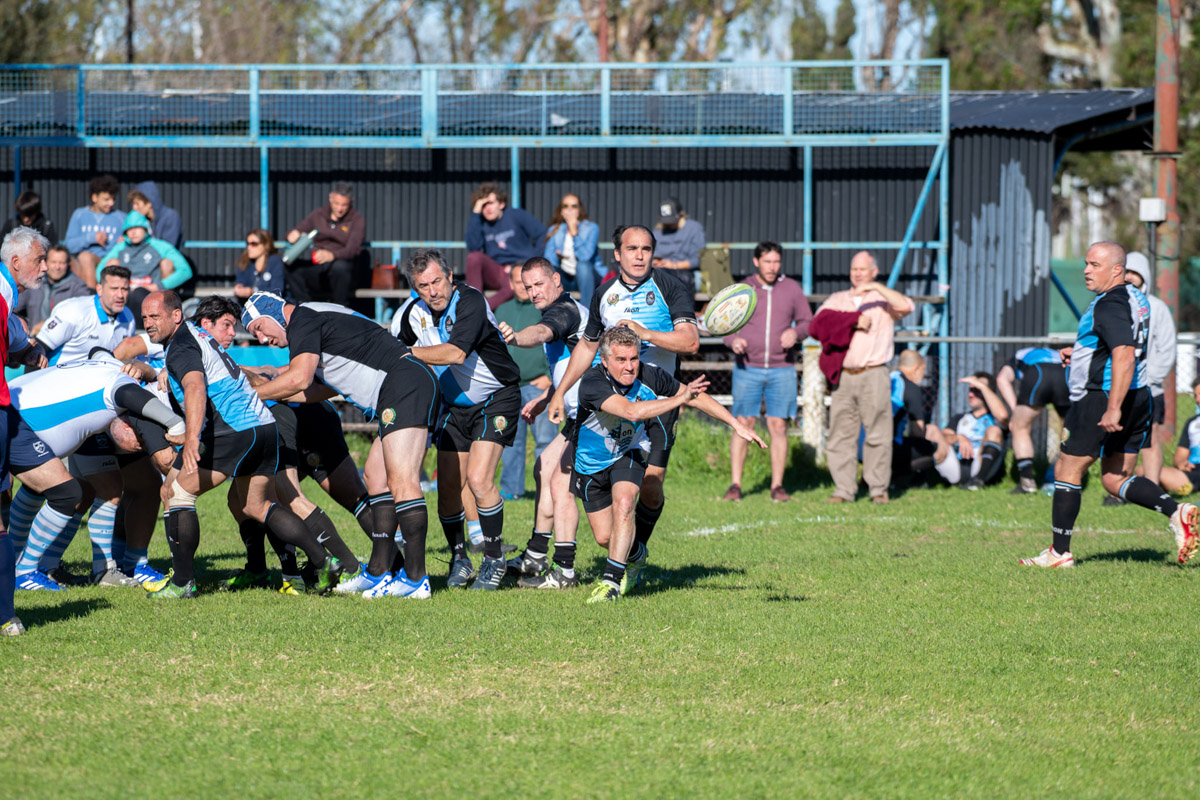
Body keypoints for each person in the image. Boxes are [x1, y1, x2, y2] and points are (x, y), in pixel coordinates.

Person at [141, 290, 339, 599]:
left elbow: (195, 386)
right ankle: (322, 560)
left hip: (235, 431)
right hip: (263, 427)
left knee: (180, 493)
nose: (149, 324)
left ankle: (182, 583)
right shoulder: (195, 334)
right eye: (145, 318)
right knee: (253, 505)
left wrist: (192, 437)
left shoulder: (181, 345)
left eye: (155, 317)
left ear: (176, 316)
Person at [243, 290, 441, 599]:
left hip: (405, 382)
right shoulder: (307, 330)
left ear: (272, 313)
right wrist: (266, 384)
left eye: (257, 328)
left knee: (402, 480)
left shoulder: (302, 318)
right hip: (396, 388)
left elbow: (299, 379)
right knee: (376, 478)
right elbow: (317, 390)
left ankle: (416, 578)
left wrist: (253, 396)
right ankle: (378, 572)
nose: (261, 339)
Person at [1020, 241, 1199, 569]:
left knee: (1067, 468)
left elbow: (1124, 352)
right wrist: (1084, 354)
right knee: (1115, 479)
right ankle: (1178, 512)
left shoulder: (1108, 304)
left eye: (1094, 265)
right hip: (1138, 395)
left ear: (1117, 269)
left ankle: (1060, 554)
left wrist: (1112, 407)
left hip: (1103, 397)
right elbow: (1120, 343)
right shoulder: (1136, 297)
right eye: (1086, 263)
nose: (1086, 270)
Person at [546, 224, 700, 592]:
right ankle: (627, 556)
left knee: (651, 487)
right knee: (608, 516)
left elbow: (690, 341)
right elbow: (587, 346)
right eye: (632, 248)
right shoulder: (605, 293)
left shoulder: (670, 287)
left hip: (658, 400)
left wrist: (646, 334)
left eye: (646, 248)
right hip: (613, 403)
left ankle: (635, 548)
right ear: (617, 254)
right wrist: (560, 391)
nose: (639, 255)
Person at [574, 326, 765, 602]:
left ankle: (610, 584)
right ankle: (638, 555)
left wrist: (735, 424)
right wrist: (679, 399)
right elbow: (631, 411)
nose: (629, 367)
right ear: (604, 361)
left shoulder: (649, 375)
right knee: (605, 537)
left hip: (628, 452)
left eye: (633, 358)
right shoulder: (593, 382)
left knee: (626, 505)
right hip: (590, 464)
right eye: (621, 360)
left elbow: (694, 396)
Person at [394, 249, 522, 591]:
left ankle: (494, 558)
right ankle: (459, 558)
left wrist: (405, 354)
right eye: (424, 286)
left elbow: (455, 353)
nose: (433, 290)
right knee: (449, 490)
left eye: (438, 281)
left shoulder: (470, 301)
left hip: (497, 397)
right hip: (454, 405)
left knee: (479, 480)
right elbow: (392, 353)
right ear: (415, 290)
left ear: (450, 277)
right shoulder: (411, 315)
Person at [8, 353, 185, 591]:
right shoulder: (122, 388)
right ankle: (30, 570)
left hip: (17, 406)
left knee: (46, 489)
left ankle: (28, 565)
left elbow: (98, 351)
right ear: (129, 422)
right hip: (19, 417)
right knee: (73, 492)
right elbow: (130, 393)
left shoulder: (115, 371)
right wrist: (177, 424)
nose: (139, 447)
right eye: (141, 438)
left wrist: (141, 367)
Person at [497, 257, 589, 589]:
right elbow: (575, 366)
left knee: (559, 485)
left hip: (595, 414)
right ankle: (536, 554)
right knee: (544, 466)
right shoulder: (559, 309)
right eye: (528, 286)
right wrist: (547, 396)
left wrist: (516, 338)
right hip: (582, 412)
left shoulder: (564, 311)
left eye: (539, 284)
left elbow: (541, 333)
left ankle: (564, 571)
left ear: (557, 280)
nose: (533, 291)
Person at [811, 251, 913, 505]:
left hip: (874, 373)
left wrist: (876, 288)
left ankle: (878, 489)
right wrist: (853, 320)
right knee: (840, 434)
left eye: (863, 269)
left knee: (878, 432)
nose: (857, 274)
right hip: (844, 375)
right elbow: (818, 325)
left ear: (874, 272)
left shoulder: (882, 299)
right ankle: (843, 490)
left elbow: (906, 306)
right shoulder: (838, 298)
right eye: (854, 269)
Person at [721, 241, 812, 503]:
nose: (772, 267)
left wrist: (795, 332)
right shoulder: (743, 289)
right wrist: (732, 341)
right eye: (767, 261)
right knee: (743, 424)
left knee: (778, 425)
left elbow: (807, 322)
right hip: (747, 368)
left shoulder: (792, 288)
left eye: (776, 262)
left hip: (782, 369)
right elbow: (723, 322)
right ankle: (735, 485)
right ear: (756, 261)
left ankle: (777, 486)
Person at [0, 228, 53, 635]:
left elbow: (16, 341)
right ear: (16, 262)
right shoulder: (3, 293)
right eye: (40, 260)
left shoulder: (8, 295)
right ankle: (6, 616)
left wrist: (25, 349)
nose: (45, 268)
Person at [493, 262, 557, 501]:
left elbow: (556, 344)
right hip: (510, 387)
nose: (524, 288)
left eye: (529, 284)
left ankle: (548, 488)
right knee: (511, 442)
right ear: (511, 284)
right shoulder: (501, 310)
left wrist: (550, 380)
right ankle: (511, 489)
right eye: (519, 282)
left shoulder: (544, 310)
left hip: (537, 386)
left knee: (545, 440)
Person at [1124, 252, 1177, 490]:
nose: (1130, 278)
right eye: (1126, 272)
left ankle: (1152, 488)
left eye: (1135, 273)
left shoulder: (1157, 307)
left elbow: (1167, 349)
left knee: (1150, 437)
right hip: (1118, 387)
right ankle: (1120, 487)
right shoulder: (1114, 306)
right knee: (1121, 438)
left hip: (1148, 388)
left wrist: (1149, 378)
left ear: (1144, 277)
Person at [996, 346, 1069, 495]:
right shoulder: (1058, 354)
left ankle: (1027, 482)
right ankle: (1068, 481)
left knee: (1020, 427)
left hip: (1038, 372)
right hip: (1065, 374)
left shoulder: (1017, 356)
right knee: (1069, 431)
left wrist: (1015, 409)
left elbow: (1002, 379)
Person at [465, 182, 546, 311]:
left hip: (520, 268)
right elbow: (474, 247)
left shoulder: (516, 215)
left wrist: (528, 263)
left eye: (490, 203)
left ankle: (478, 310)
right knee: (474, 257)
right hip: (498, 270)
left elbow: (542, 234)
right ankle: (473, 302)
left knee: (515, 283)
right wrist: (475, 213)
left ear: (501, 204)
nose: (487, 208)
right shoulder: (480, 222)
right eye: (483, 205)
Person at [100, 210, 192, 321]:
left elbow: (185, 270)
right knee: (111, 263)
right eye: (129, 229)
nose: (133, 232)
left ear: (145, 229)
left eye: (137, 227)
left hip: (153, 291)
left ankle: (167, 310)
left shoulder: (160, 245)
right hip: (125, 293)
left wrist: (158, 286)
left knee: (167, 263)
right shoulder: (120, 247)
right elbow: (99, 271)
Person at [284, 182, 365, 307]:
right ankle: (305, 306)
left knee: (341, 267)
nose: (340, 208)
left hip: (341, 270)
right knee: (289, 267)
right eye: (337, 203)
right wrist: (292, 234)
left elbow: (353, 249)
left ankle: (340, 307)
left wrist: (332, 255)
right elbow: (298, 230)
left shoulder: (357, 219)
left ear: (351, 201)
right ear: (330, 198)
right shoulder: (318, 215)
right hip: (318, 266)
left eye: (344, 205)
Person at [35, 265, 134, 365]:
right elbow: (36, 351)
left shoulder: (128, 317)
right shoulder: (74, 311)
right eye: (114, 288)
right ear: (99, 289)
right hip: (57, 376)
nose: (120, 295)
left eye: (125, 289)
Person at [890, 350, 959, 486]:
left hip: (864, 443)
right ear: (916, 369)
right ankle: (895, 477)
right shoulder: (910, 388)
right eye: (923, 370)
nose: (923, 375)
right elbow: (917, 431)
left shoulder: (887, 379)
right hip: (889, 447)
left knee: (922, 435)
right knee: (933, 448)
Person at [942, 372, 1010, 490]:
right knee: (931, 431)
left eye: (976, 390)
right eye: (970, 390)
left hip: (981, 466)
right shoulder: (960, 418)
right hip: (957, 468)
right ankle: (918, 480)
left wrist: (982, 386)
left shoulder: (995, 419)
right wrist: (958, 437)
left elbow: (1003, 417)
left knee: (994, 431)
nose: (970, 394)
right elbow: (943, 437)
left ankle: (978, 480)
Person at [64, 174, 124, 290]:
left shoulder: (121, 218)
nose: (111, 203)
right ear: (94, 197)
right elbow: (68, 246)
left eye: (113, 199)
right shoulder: (79, 214)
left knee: (99, 260)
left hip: (108, 261)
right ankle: (89, 294)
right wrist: (92, 238)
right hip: (81, 264)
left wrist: (122, 243)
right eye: (106, 199)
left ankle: (94, 295)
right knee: (80, 258)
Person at [13, 244, 91, 334]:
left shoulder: (78, 287)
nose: (57, 267)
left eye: (62, 263)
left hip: (62, 339)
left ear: (68, 264)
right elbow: (14, 308)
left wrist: (46, 324)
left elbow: (82, 317)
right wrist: (21, 321)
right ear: (45, 262)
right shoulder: (34, 281)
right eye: (53, 262)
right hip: (32, 336)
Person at [543, 193, 603, 307]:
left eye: (574, 206)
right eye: (566, 206)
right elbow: (548, 261)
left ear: (579, 210)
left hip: (588, 278)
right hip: (566, 278)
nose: (569, 209)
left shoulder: (591, 228)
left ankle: (587, 312)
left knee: (583, 265)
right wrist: (557, 256)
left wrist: (574, 230)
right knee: (550, 270)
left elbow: (585, 257)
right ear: (561, 211)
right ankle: (554, 311)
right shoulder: (554, 230)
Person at [1154, 379, 1200, 496]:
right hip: (1192, 469)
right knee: (1142, 469)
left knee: (1154, 473)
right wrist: (1181, 463)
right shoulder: (1192, 424)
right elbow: (1180, 455)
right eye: (1196, 396)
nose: (1198, 400)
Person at [652, 197, 706, 296]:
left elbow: (698, 259)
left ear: (680, 215)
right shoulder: (658, 232)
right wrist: (655, 262)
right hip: (660, 271)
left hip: (685, 272)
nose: (670, 224)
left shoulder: (694, 229)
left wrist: (674, 265)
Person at [127, 182, 183, 250]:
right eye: (133, 204)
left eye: (137, 204)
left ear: (149, 203)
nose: (134, 208)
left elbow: (167, 248)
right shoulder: (144, 221)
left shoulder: (171, 217)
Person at [234, 229, 286, 299]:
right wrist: (239, 287)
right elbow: (241, 281)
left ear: (266, 245)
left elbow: (277, 290)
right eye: (248, 244)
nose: (249, 247)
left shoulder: (275, 261)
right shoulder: (245, 261)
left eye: (254, 244)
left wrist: (253, 292)